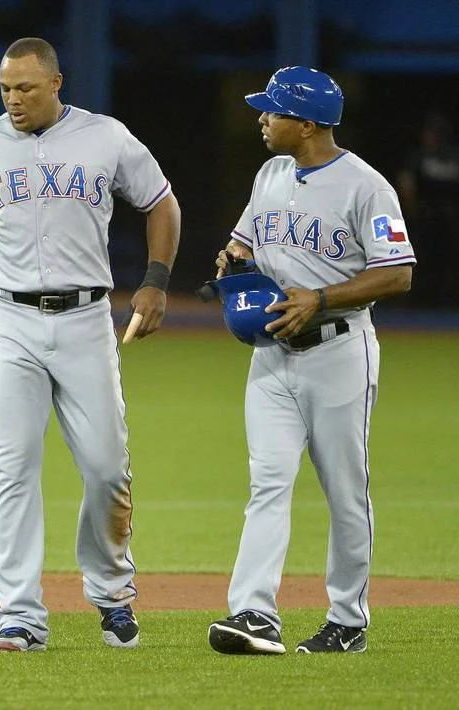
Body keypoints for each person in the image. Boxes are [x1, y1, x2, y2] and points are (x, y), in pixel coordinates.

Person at [0, 37, 180, 652]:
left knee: (105, 469)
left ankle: (113, 595)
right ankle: (19, 616)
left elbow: (161, 204)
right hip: (8, 321)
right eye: (6, 88)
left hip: (86, 321)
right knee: (11, 469)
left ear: (57, 83)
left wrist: (155, 281)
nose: (13, 99)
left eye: (26, 88)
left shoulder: (106, 137)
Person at [207, 66, 416, 655]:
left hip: (339, 353)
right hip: (272, 359)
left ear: (306, 124)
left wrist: (320, 298)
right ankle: (254, 615)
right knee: (267, 482)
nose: (262, 118)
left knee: (345, 491)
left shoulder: (366, 186)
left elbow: (397, 273)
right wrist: (235, 260)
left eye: (272, 111)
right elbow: (246, 241)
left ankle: (348, 620)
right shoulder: (270, 173)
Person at [396, 111, 459, 308]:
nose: (429, 137)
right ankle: (415, 303)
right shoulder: (418, 157)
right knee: (419, 261)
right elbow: (405, 183)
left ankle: (447, 302)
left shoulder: (452, 156)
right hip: (424, 218)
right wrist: (413, 211)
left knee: (448, 263)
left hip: (449, 219)